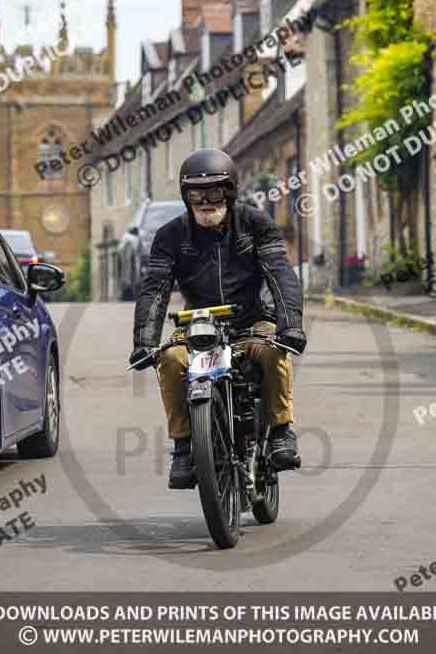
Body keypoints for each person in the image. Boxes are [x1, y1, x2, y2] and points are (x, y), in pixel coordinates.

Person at [130, 149, 307, 489]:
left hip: (252, 322)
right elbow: (154, 289)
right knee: (168, 359)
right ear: (186, 197)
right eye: (197, 194)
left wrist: (291, 325)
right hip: (198, 327)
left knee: (273, 352)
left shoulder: (256, 224)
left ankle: (282, 430)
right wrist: (144, 342)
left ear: (230, 191)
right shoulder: (169, 236)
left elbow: (281, 275)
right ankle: (184, 446)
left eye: (215, 192)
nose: (207, 202)